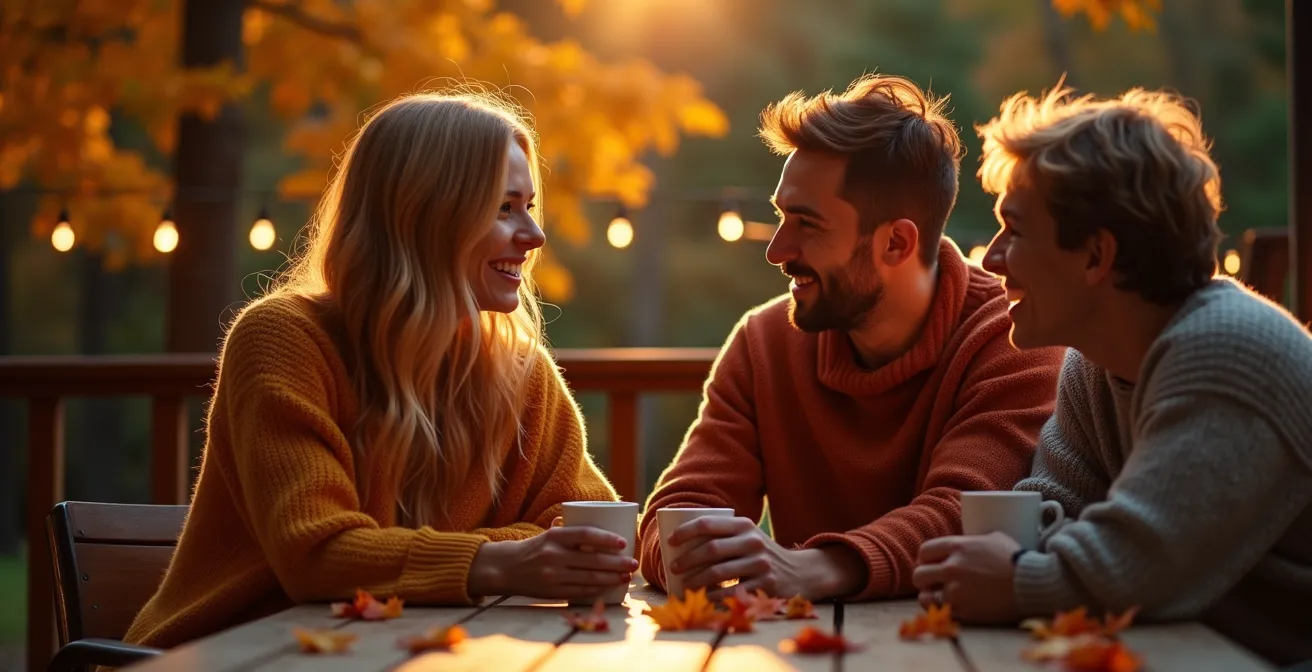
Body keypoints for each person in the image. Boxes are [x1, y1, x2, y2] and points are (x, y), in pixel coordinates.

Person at [124, 91, 635, 650]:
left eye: (529, 207)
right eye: (503, 207)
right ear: (423, 215)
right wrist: (502, 559)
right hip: (231, 655)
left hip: (408, 653)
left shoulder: (521, 371)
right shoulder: (283, 340)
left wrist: (459, 557)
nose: (535, 237)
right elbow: (317, 554)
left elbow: (591, 530)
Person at [911, 84, 1312, 666]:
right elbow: (1053, 504)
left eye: (1014, 231)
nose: (989, 259)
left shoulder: (1226, 351)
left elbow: (1137, 565)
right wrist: (1002, 553)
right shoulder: (1094, 362)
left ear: (1097, 256)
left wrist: (1018, 576)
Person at [636, 74, 1066, 602]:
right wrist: (688, 550)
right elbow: (684, 501)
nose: (775, 249)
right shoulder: (762, 343)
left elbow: (967, 512)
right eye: (780, 217)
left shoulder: (1017, 339)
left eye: (807, 224)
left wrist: (817, 568)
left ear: (896, 243)